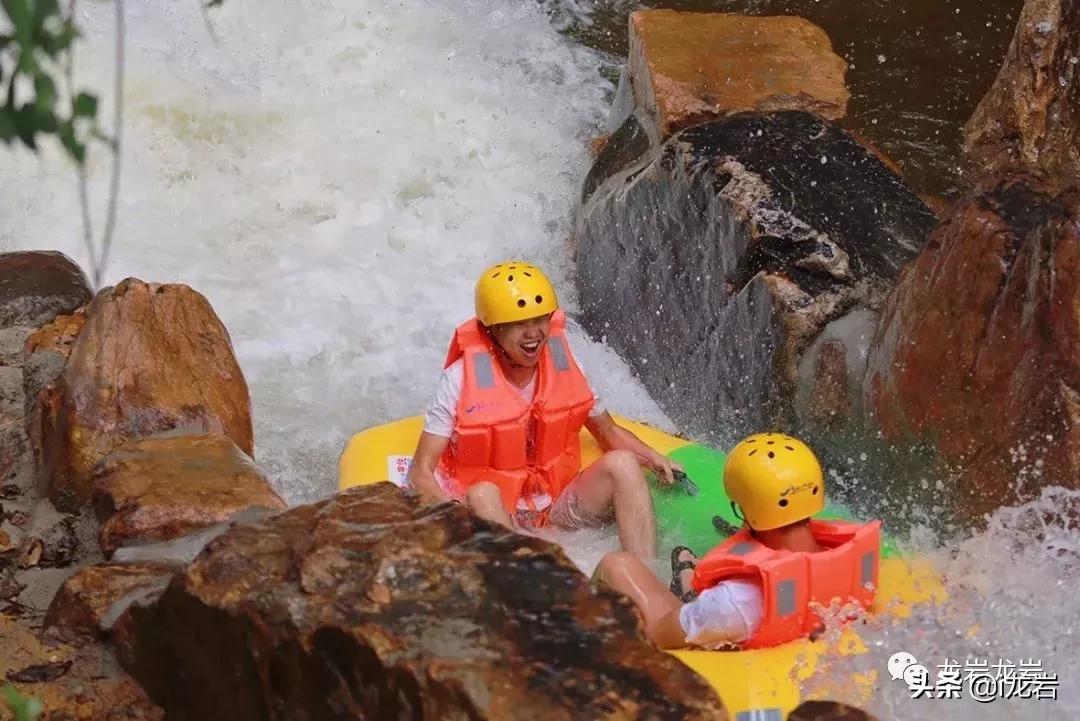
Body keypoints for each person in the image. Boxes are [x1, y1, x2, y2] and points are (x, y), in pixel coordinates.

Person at [407, 261, 681, 561]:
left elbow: (609, 432)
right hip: (498, 514)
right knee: (482, 493)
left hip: (557, 506)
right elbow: (420, 472)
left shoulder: (568, 363)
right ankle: (528, 593)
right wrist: (453, 514)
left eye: (540, 320)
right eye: (519, 323)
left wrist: (654, 458)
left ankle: (644, 579)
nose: (533, 333)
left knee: (624, 464)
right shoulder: (459, 380)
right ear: (493, 329)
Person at [594, 434, 881, 649]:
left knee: (616, 564)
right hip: (791, 633)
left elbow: (660, 634)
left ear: (743, 511)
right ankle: (687, 584)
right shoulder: (854, 555)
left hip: (726, 633)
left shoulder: (734, 599)